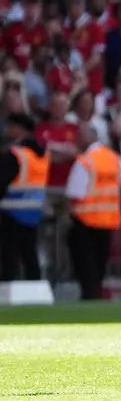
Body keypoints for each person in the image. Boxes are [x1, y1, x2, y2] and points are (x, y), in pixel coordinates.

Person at [65, 123, 121, 300]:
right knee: (99, 264)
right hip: (107, 221)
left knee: (85, 265)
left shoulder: (85, 161)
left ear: (87, 138)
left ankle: (89, 296)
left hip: (85, 221)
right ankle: (96, 294)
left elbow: (74, 193)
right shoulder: (113, 158)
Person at [0, 113, 48, 280]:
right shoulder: (41, 154)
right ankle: (35, 287)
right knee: (29, 254)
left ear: (18, 129)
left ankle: (6, 288)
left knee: (9, 256)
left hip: (11, 210)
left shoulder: (15, 154)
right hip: (33, 211)